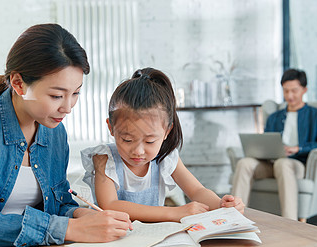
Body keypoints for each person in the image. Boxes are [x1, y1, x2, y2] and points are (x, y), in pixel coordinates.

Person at [0, 24, 132, 247]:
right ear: (18, 83)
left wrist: (79, 215)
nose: (68, 107)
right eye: (56, 96)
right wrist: (69, 228)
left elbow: (57, 204)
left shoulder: (54, 132)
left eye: (75, 93)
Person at [81, 67, 245, 222]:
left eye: (150, 141)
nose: (138, 151)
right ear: (111, 128)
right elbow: (110, 205)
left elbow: (196, 191)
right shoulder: (104, 158)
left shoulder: (166, 157)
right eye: (127, 140)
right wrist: (175, 212)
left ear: (167, 131)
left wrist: (222, 205)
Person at [231, 69, 317, 220]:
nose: (289, 96)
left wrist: (299, 149)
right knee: (245, 163)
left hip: (296, 165)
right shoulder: (274, 117)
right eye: (286, 91)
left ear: (304, 90)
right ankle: (234, 218)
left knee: (283, 163)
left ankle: (290, 222)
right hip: (271, 164)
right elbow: (267, 142)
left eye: (294, 91)